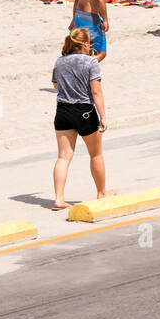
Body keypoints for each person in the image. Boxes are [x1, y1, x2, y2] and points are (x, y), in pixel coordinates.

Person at [50, 27, 111, 211]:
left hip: (63, 110)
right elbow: (96, 91)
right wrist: (103, 116)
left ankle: (59, 199)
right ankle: (101, 193)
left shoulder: (59, 61)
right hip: (84, 110)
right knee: (96, 154)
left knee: (63, 156)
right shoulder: (90, 62)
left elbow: (55, 84)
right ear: (85, 43)